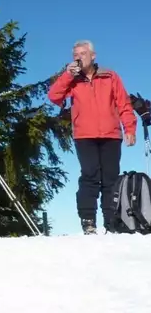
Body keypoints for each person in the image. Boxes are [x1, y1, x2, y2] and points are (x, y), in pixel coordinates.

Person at [47, 40, 137, 234]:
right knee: (90, 175)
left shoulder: (109, 76)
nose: (79, 57)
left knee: (111, 178)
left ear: (93, 55)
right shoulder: (72, 80)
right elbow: (54, 96)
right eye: (75, 55)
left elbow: (123, 103)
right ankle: (88, 221)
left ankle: (112, 222)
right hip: (84, 135)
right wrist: (67, 75)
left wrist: (129, 128)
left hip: (111, 135)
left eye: (82, 53)